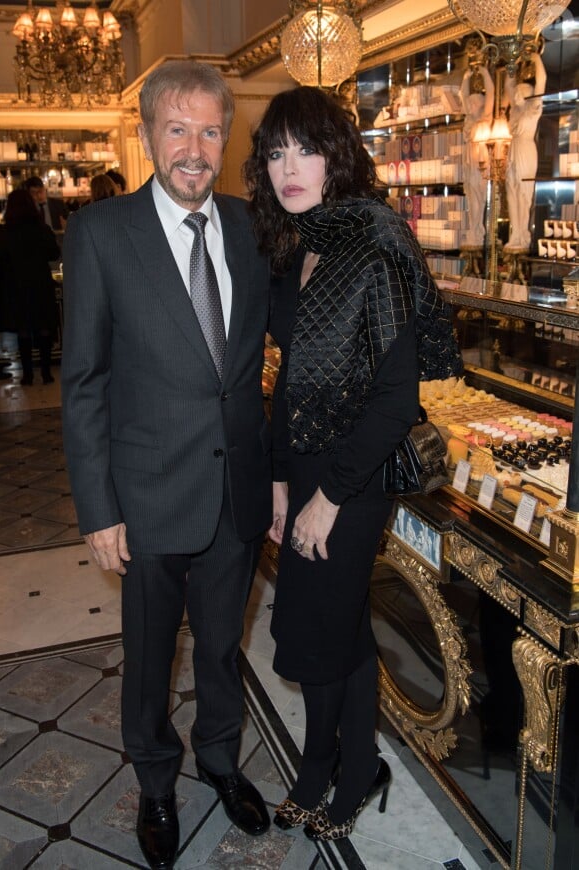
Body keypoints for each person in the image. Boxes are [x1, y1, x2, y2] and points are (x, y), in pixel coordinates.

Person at [61, 60, 272, 870]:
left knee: (221, 646)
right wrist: (97, 506)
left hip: (237, 490)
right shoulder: (102, 233)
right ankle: (155, 779)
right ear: (149, 133)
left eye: (210, 130)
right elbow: (83, 381)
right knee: (151, 653)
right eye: (177, 129)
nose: (194, 148)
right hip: (144, 494)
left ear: (226, 137)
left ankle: (220, 760)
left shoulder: (252, 228)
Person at [243, 87, 462, 841]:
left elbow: (396, 401)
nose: (289, 168)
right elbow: (287, 377)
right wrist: (279, 483)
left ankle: (345, 767)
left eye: (305, 149)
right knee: (326, 632)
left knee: (326, 631)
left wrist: (327, 498)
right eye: (275, 153)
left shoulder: (375, 241)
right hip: (302, 471)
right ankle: (332, 763)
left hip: (354, 477)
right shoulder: (292, 246)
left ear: (337, 156)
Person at [0, 187, 60, 385]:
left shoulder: (5, 232)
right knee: (43, 328)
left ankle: (27, 374)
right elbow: (54, 253)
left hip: (16, 287)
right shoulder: (41, 229)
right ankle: (46, 372)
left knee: (23, 331)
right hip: (41, 284)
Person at [503, 49, 547, 251]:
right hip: (513, 150)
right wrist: (514, 63)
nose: (517, 94)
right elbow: (507, 85)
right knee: (511, 192)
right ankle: (515, 233)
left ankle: (523, 235)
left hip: (526, 151)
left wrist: (536, 58)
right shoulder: (516, 112)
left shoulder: (533, 108)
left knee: (523, 194)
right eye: (517, 92)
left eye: (522, 92)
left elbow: (542, 81)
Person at [460, 62, 494, 247]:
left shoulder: (484, 117)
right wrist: (466, 78)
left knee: (478, 196)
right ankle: (473, 229)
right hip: (469, 160)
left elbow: (491, 94)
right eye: (470, 103)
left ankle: (477, 229)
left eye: (474, 103)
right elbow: (464, 96)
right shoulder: (470, 119)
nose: (470, 105)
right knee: (471, 195)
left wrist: (485, 73)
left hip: (480, 159)